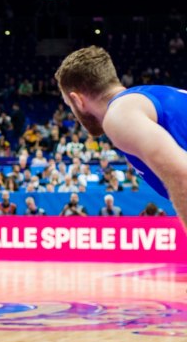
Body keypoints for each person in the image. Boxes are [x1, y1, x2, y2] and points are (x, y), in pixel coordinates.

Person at [55, 46, 187, 228]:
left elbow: (182, 175)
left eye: (69, 105)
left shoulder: (118, 115)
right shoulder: (152, 95)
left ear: (77, 100)